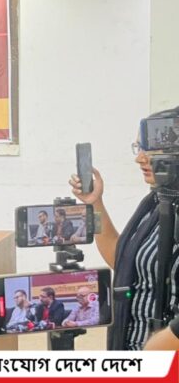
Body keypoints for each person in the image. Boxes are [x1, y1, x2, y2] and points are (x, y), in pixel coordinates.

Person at [69, 106, 179, 350]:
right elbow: (122, 261)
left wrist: (153, 354)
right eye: (139, 147)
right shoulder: (157, 203)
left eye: (151, 148)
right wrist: (95, 202)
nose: (140, 158)